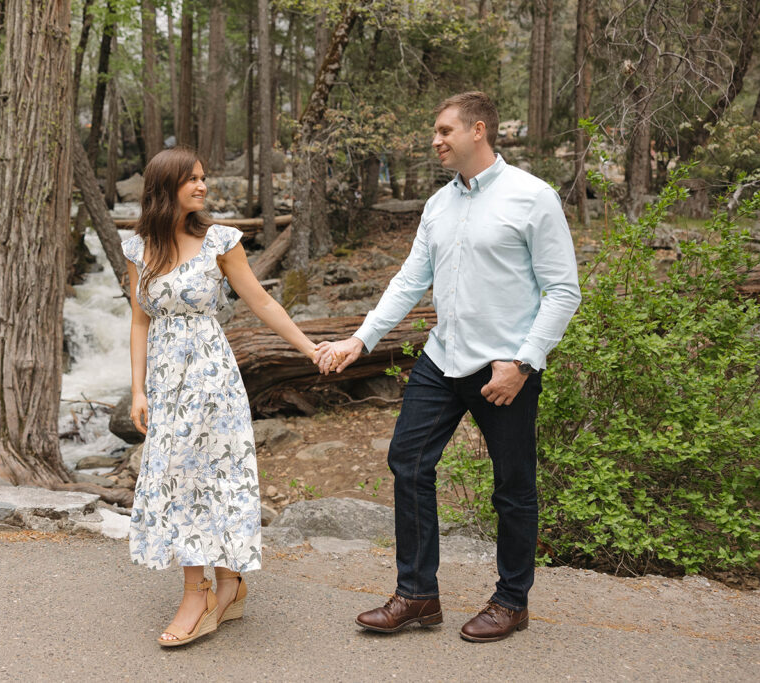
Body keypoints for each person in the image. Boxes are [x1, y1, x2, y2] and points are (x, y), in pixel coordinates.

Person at [316, 92, 581, 642]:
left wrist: (525, 362)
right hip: (441, 358)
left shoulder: (532, 197)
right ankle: (417, 596)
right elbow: (410, 281)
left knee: (512, 486)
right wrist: (360, 340)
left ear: (477, 130)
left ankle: (512, 601)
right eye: (435, 132)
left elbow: (562, 291)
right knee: (408, 463)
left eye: (443, 131)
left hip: (503, 368)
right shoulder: (439, 204)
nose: (435, 141)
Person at [122, 146, 319, 647]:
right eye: (191, 179)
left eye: (203, 178)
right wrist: (138, 390)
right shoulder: (138, 248)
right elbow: (140, 320)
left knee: (219, 474)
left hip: (211, 376)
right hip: (167, 381)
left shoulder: (219, 242)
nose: (203, 186)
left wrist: (310, 348)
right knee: (179, 475)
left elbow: (262, 301)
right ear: (165, 187)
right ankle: (207, 588)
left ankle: (217, 589)